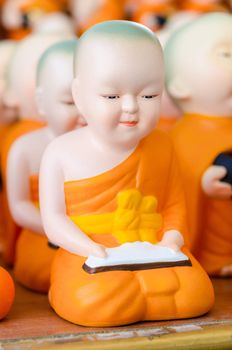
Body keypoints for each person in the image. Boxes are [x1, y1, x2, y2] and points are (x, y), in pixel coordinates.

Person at [40, 20, 214, 326]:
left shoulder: (163, 145)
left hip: (154, 247)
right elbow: (54, 221)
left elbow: (173, 206)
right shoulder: (60, 151)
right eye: (111, 96)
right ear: (79, 94)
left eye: (149, 95)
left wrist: (171, 240)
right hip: (92, 253)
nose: (132, 107)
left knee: (193, 294)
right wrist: (91, 248)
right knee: (96, 302)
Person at [165, 13, 232, 276]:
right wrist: (201, 183)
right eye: (226, 55)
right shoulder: (180, 137)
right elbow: (172, 188)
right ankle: (214, 257)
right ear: (181, 85)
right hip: (209, 240)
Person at [1, 32, 70, 265]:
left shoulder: (93, 142)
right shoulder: (23, 144)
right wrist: (57, 227)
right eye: (69, 101)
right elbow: (19, 206)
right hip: (45, 234)